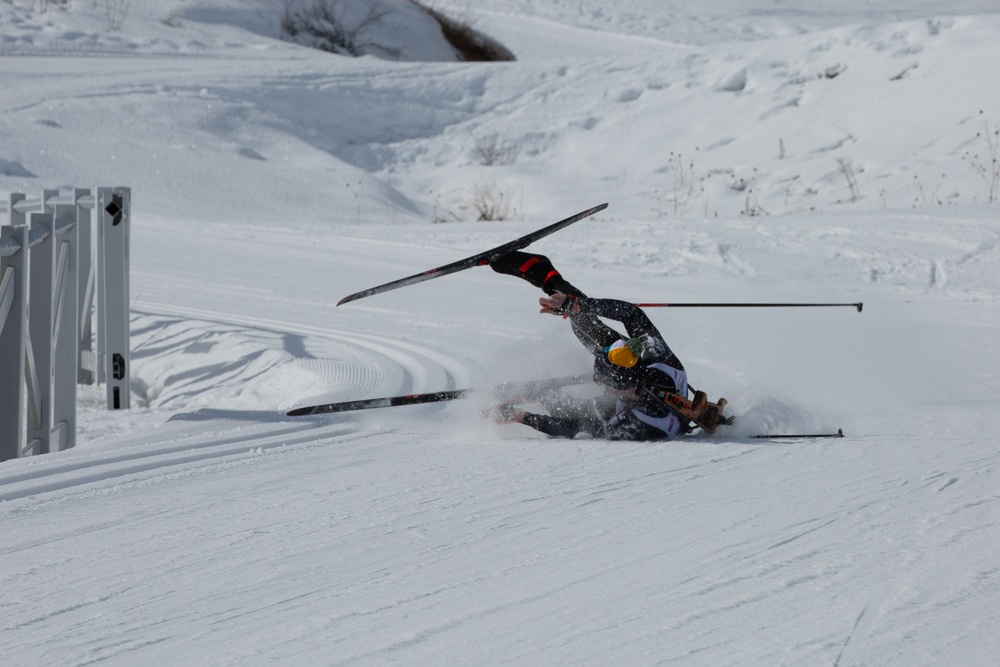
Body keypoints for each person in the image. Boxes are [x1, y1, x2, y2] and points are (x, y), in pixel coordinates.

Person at [484, 251, 690, 441]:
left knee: (566, 407)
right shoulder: (654, 353)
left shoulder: (632, 424)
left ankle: (539, 396)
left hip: (637, 410)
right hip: (637, 394)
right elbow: (631, 314)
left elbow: (575, 427)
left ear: (623, 389)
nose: (601, 385)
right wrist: (579, 305)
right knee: (582, 318)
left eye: (604, 383)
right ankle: (547, 277)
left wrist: (520, 416)